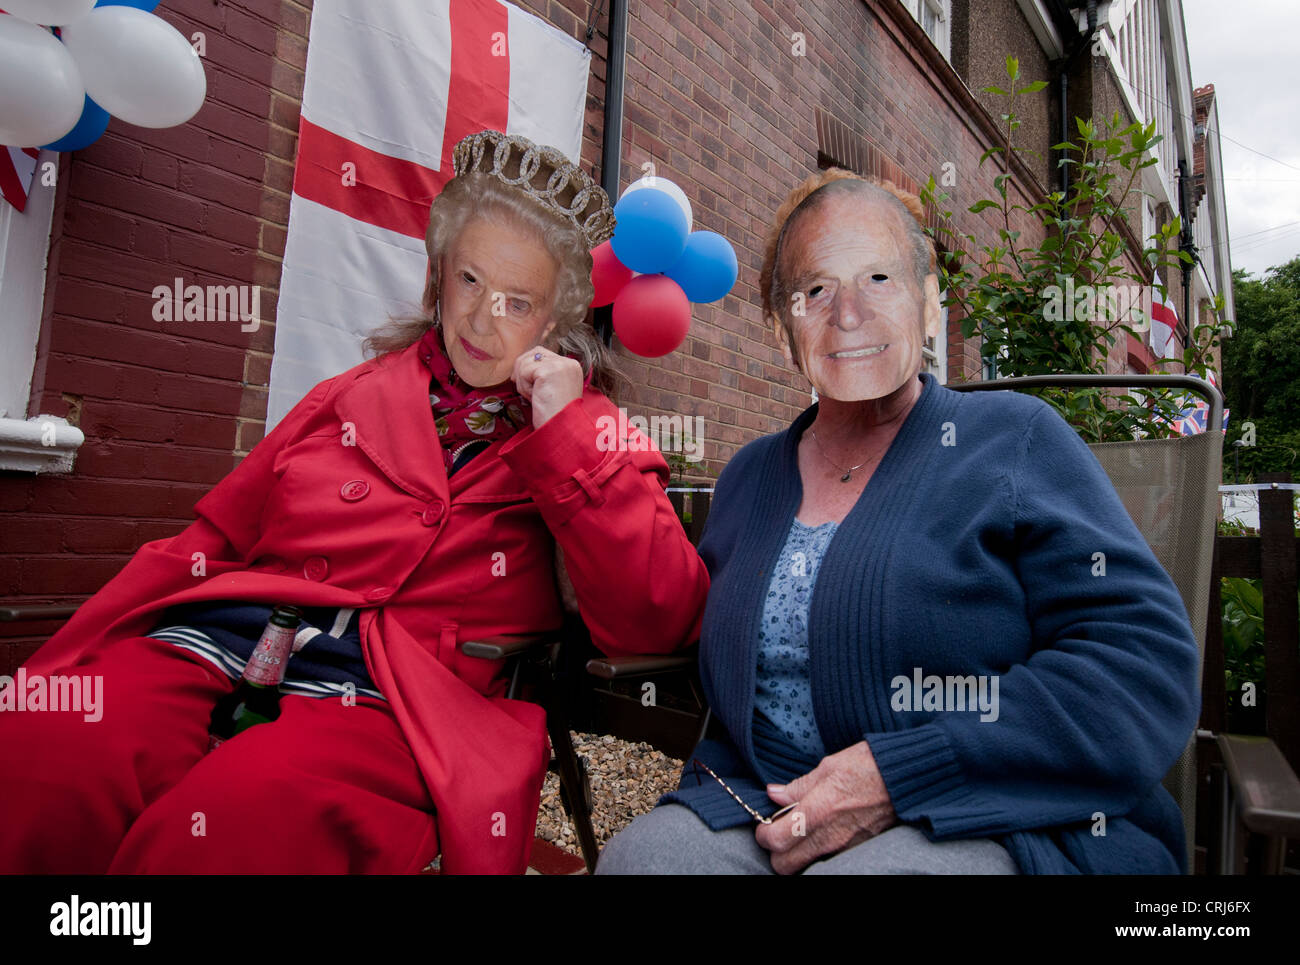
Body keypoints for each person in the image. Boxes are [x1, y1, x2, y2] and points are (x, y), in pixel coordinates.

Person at [0, 130, 709, 875]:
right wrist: (88, 648)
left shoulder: (589, 429)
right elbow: (215, 534)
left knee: (226, 831)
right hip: (231, 639)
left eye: (516, 301)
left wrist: (565, 433)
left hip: (394, 700)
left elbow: (656, 615)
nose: (479, 320)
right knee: (46, 751)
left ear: (553, 321)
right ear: (439, 276)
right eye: (468, 281)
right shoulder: (350, 394)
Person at [597, 168, 1200, 875]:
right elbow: (684, 620)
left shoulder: (1013, 440)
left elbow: (1142, 665)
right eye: (815, 290)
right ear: (783, 328)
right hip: (760, 803)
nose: (848, 313)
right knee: (642, 862)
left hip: (983, 811)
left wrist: (901, 770)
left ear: (931, 303)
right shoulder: (752, 475)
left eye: (879, 277)